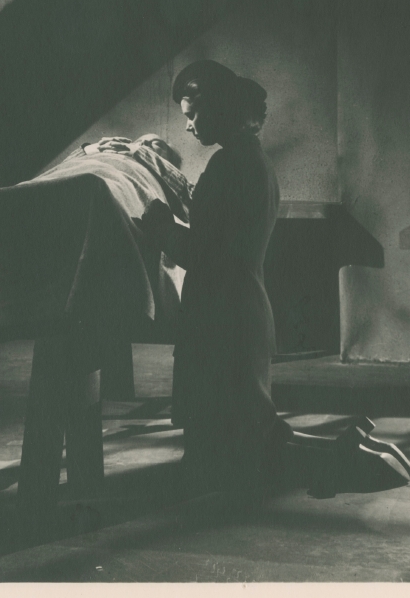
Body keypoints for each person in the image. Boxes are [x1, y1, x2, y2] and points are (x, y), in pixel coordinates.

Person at [139, 59, 288, 494]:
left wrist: (161, 226)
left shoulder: (229, 165)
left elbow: (202, 254)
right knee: (242, 431)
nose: (187, 126)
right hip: (242, 310)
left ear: (218, 107)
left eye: (193, 114)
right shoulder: (253, 160)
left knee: (216, 448)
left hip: (221, 318)